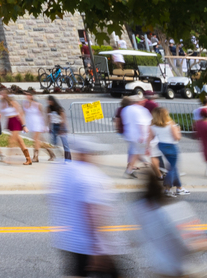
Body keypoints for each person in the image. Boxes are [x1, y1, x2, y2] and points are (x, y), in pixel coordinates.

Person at [49, 136, 125, 278]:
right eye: (95, 154)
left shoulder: (64, 170)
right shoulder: (92, 177)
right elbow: (94, 217)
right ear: (85, 154)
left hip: (68, 242)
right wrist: (99, 250)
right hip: (90, 246)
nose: (97, 158)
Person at [133, 169, 207, 276]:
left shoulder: (138, 208)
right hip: (180, 269)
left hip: (158, 267)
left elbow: (135, 240)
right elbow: (189, 245)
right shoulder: (177, 210)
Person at [122, 93, 155, 177]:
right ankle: (129, 170)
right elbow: (143, 124)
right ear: (139, 101)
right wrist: (144, 136)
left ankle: (130, 169)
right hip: (139, 135)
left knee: (135, 152)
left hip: (129, 134)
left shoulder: (126, 109)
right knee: (139, 152)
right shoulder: (141, 110)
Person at [154, 106, 184, 197]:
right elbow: (177, 137)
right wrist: (178, 130)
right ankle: (168, 188)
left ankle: (179, 187)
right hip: (171, 146)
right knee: (172, 167)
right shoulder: (170, 124)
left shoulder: (154, 125)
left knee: (173, 167)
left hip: (161, 145)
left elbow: (151, 137)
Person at [1, 90, 31, 165]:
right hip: (11, 122)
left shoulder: (13, 103)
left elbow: (20, 114)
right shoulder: (4, 103)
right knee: (20, 141)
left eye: (3, 93)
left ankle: (9, 158)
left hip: (16, 122)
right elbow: (3, 113)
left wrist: (24, 126)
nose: (1, 95)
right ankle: (28, 159)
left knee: (12, 140)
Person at [46, 94, 71, 160]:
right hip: (54, 125)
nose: (49, 102)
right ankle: (57, 156)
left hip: (61, 125)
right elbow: (49, 118)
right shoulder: (49, 108)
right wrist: (48, 127)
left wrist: (62, 128)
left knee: (65, 143)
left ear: (53, 101)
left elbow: (63, 119)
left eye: (50, 101)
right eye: (48, 101)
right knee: (54, 143)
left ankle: (68, 159)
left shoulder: (59, 108)